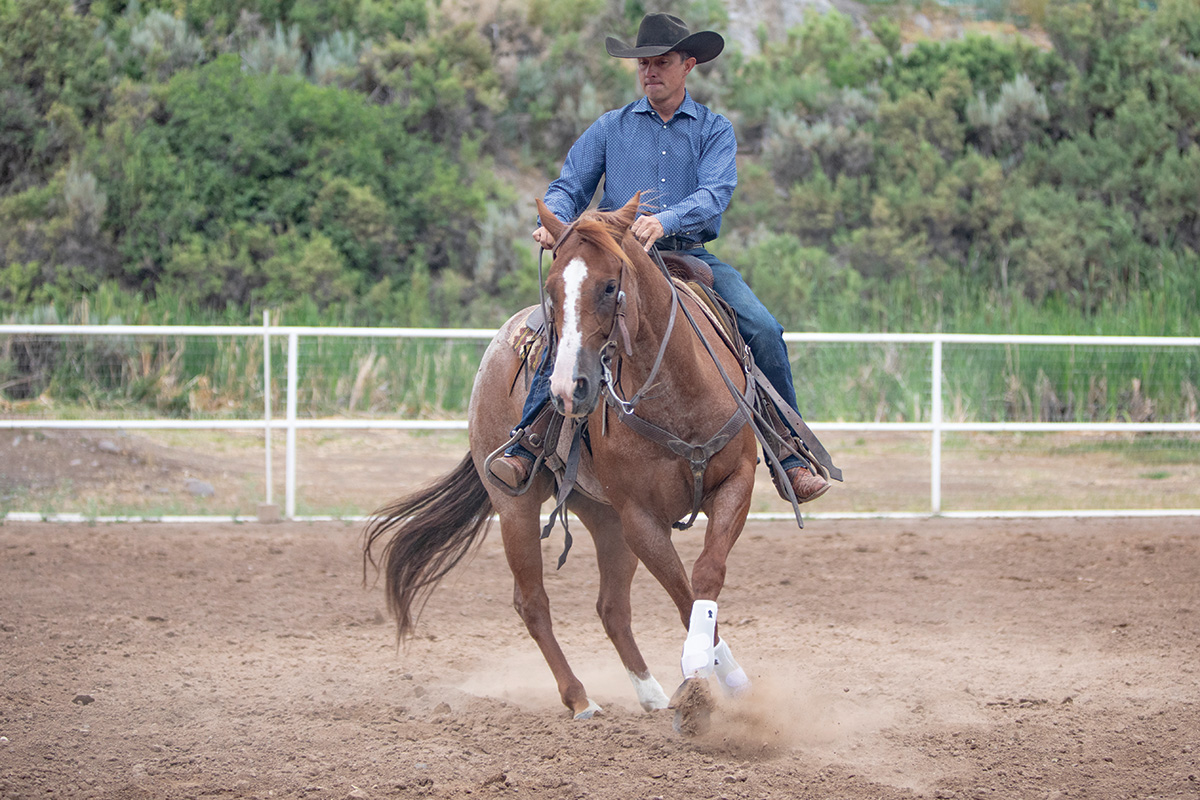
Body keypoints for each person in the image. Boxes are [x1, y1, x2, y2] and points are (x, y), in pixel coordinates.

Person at [489, 12, 830, 504]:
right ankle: (531, 439)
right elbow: (569, 186)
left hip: (690, 257)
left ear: (687, 65)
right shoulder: (611, 128)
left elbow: (716, 193)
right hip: (618, 262)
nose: (651, 71)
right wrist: (556, 222)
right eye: (644, 63)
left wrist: (665, 220)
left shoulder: (714, 130)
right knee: (564, 326)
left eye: (662, 62)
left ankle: (788, 454)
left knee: (763, 328)